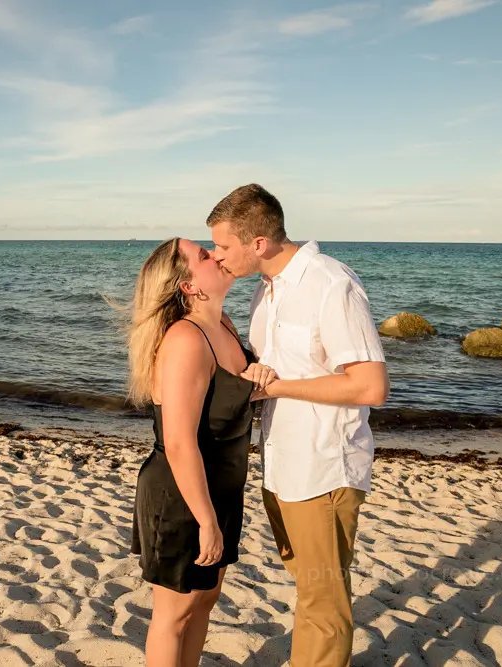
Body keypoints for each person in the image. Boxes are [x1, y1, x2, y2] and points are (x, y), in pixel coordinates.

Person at [207, 184, 389, 667]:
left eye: (224, 246)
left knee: (323, 600)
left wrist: (278, 388)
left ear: (258, 243)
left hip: (324, 465)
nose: (216, 255)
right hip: (281, 462)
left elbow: (370, 387)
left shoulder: (331, 284)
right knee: (307, 587)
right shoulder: (265, 292)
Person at [125, 237, 265, 667]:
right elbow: (181, 441)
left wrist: (255, 380)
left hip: (221, 486)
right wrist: (206, 520)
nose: (217, 254)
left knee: (204, 602)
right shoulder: (185, 338)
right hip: (181, 493)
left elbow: (225, 401)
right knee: (174, 614)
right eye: (204, 255)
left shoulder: (223, 326)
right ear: (188, 285)